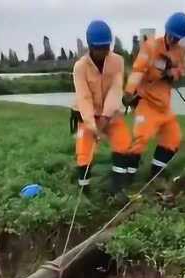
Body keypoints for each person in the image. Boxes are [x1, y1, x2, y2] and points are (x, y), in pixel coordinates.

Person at [122, 12, 185, 181]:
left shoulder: (181, 51)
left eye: (177, 38)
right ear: (166, 31)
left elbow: (182, 70)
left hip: (164, 106)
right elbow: (138, 70)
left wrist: (173, 73)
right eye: (172, 36)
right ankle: (128, 179)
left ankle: (155, 176)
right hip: (147, 103)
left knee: (173, 138)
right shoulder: (151, 47)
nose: (174, 40)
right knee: (140, 139)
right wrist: (129, 91)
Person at [71, 20, 132, 195]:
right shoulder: (80, 67)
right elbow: (84, 97)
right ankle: (85, 190)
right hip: (85, 114)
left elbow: (115, 90)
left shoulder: (117, 61)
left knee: (123, 143)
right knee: (84, 150)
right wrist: (93, 126)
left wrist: (105, 118)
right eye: (99, 48)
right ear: (90, 46)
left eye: (107, 47)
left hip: (111, 113)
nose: (104, 52)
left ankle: (117, 188)